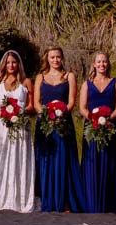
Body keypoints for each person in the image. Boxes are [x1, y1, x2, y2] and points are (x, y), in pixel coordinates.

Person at [79, 51, 116, 214]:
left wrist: (108, 118)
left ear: (108, 64)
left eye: (104, 62)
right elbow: (82, 107)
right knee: (92, 162)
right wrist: (93, 118)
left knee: (112, 162)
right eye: (99, 62)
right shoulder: (87, 84)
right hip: (92, 128)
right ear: (94, 64)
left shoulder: (115, 82)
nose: (102, 64)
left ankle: (114, 203)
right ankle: (93, 204)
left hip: (111, 127)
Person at [0, 50, 36, 213]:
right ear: (3, 64)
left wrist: (19, 112)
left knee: (18, 159)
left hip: (20, 126)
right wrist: (5, 113)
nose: (11, 65)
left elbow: (31, 106)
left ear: (19, 64)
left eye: (14, 62)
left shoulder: (26, 82)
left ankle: (18, 200)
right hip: (0, 127)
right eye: (8, 62)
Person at [34, 46, 86, 212]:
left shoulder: (69, 76)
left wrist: (61, 114)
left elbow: (71, 101)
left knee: (64, 160)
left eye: (58, 57)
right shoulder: (40, 77)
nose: (55, 60)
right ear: (47, 59)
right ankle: (48, 199)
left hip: (64, 122)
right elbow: (36, 102)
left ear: (62, 58)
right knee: (47, 161)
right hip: (45, 125)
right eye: (52, 57)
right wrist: (47, 115)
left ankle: (66, 202)